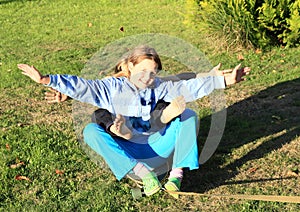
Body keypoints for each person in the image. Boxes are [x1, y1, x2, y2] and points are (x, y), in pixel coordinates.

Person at [18, 45, 250, 197]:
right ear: (130, 67)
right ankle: (143, 174)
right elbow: (83, 86)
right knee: (90, 131)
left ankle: (176, 176)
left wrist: (225, 81)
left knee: (188, 115)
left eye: (153, 72)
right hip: (131, 154)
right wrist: (47, 80)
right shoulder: (110, 88)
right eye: (143, 71)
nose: (148, 78)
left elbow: (188, 87)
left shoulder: (159, 86)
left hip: (159, 146)